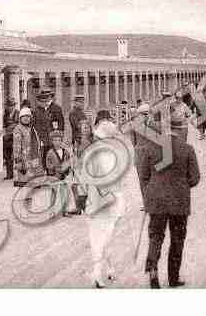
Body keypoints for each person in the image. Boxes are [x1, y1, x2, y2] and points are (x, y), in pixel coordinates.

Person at [136, 117, 201, 288]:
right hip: (179, 202)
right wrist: (181, 184)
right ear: (180, 130)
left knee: (155, 237)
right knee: (177, 238)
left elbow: (143, 176)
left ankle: (153, 272)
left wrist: (150, 193)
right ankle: (173, 278)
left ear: (166, 129)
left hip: (156, 201)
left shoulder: (151, 148)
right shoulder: (187, 149)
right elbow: (195, 178)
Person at [85, 114, 127, 288]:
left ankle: (106, 269)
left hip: (95, 201)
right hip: (111, 201)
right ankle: (100, 272)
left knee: (98, 237)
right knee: (106, 237)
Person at [13, 107, 44, 200]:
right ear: (20, 118)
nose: (26, 118)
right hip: (23, 159)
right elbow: (16, 146)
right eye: (24, 117)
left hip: (32, 159)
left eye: (28, 117)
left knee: (31, 183)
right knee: (23, 183)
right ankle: (22, 203)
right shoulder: (18, 129)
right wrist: (18, 160)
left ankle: (29, 202)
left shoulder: (32, 129)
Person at [33, 90, 65, 169]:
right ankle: (46, 171)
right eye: (43, 98)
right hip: (43, 138)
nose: (45, 100)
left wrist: (59, 136)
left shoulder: (56, 108)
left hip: (54, 136)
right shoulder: (37, 110)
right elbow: (36, 125)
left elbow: (61, 123)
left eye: (47, 97)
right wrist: (39, 138)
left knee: (56, 153)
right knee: (45, 155)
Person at [45, 130, 72, 217]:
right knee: (53, 193)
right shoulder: (50, 152)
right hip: (54, 176)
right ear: (52, 141)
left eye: (59, 140)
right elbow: (48, 164)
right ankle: (51, 211)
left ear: (61, 141)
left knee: (64, 193)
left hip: (63, 175)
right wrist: (53, 169)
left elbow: (68, 162)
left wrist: (66, 169)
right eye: (55, 140)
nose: (57, 142)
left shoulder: (66, 152)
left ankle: (65, 210)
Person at [2, 98, 19, 180]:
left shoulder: (18, 114)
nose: (10, 107)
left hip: (15, 138)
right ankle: (9, 174)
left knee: (17, 157)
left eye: (11, 106)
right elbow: (4, 126)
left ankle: (20, 174)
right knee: (7, 156)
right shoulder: (5, 115)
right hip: (7, 139)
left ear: (14, 106)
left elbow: (18, 125)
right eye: (9, 106)